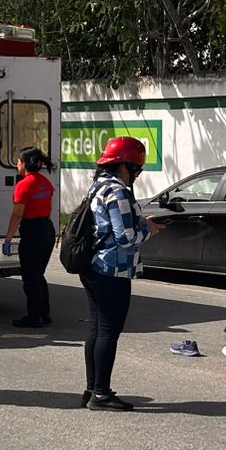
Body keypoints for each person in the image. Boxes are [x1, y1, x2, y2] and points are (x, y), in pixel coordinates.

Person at [79, 136, 159, 411]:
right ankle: (101, 393)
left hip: (93, 266)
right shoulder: (118, 191)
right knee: (108, 332)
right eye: (137, 168)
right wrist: (149, 229)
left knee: (97, 329)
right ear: (126, 165)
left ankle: (92, 389)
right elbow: (125, 237)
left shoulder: (98, 186)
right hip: (112, 270)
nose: (138, 173)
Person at [2, 146, 57, 328]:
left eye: (18, 161)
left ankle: (34, 317)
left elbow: (17, 215)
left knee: (30, 277)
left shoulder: (23, 185)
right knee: (38, 274)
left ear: (24, 164)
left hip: (32, 232)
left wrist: (8, 239)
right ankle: (44, 313)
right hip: (47, 230)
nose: (17, 164)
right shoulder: (45, 182)